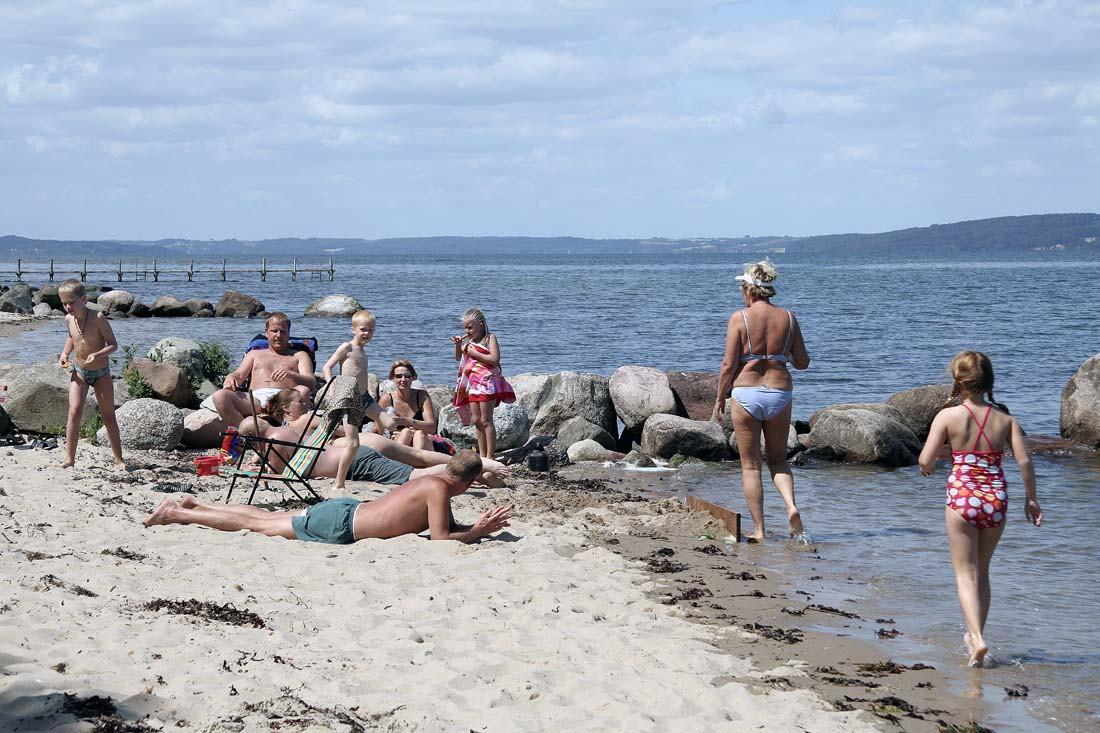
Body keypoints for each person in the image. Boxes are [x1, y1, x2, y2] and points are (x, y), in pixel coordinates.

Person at [919, 350, 1041, 668]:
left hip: (962, 498)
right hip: (996, 498)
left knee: (964, 573)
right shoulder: (1006, 419)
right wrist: (1032, 500)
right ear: (989, 381)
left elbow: (925, 459)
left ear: (957, 381)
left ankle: (976, 637)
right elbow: (1025, 461)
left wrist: (928, 467)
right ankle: (976, 636)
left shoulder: (947, 416)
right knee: (982, 572)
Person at [143, 450, 512, 545]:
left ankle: (194, 504)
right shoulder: (438, 490)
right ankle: (179, 514)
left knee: (259, 514)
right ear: (469, 481)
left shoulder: (435, 483)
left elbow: (443, 527)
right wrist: (476, 534)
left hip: (347, 509)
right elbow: (440, 539)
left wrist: (477, 527)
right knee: (255, 524)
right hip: (341, 525)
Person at [712, 261, 809, 541]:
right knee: (778, 460)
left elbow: (729, 364)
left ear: (748, 290)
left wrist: (720, 397)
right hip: (779, 393)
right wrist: (783, 353)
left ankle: (759, 530)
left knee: (750, 465)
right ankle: (791, 507)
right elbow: (803, 362)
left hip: (746, 392)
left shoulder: (738, 318)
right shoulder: (789, 318)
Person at [244, 388, 508, 487]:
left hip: (354, 450)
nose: (308, 402)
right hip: (360, 445)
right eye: (303, 401)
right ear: (287, 409)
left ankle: (477, 467)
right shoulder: (303, 423)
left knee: (415, 467)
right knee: (419, 457)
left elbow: (281, 465)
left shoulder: (293, 428)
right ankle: (480, 468)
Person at [57, 280, 125, 469]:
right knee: (74, 411)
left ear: (84, 299)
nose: (68, 307)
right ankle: (70, 459)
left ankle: (118, 459)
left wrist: (97, 354)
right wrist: (64, 354)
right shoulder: (69, 319)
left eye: (71, 302)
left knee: (108, 415)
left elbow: (113, 344)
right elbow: (71, 337)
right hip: (80, 372)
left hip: (101, 373)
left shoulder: (98, 318)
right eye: (64, 303)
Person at [210, 312, 316, 425]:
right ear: (266, 333)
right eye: (274, 331)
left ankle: (291, 430)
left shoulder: (299, 355)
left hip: (284, 400)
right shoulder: (254, 354)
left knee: (303, 390)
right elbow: (239, 375)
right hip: (255, 400)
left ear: (289, 334)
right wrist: (231, 377)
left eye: (283, 331)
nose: (279, 335)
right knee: (220, 396)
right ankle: (244, 432)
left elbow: (311, 383)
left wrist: (291, 374)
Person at [451, 308, 515, 459]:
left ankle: (490, 456)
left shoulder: (489, 338)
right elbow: (458, 357)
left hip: (487, 384)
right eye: (465, 327)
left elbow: (494, 359)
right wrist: (458, 345)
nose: (468, 330)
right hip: (472, 385)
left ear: (481, 324)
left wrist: (476, 354)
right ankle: (482, 454)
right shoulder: (469, 342)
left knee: (486, 420)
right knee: (477, 420)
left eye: (470, 327)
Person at [376, 359, 451, 454]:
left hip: (421, 440)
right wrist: (389, 430)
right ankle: (411, 463)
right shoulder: (386, 399)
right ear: (392, 378)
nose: (403, 380)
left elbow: (431, 427)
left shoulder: (421, 396)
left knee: (418, 434)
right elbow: (376, 428)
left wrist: (407, 421)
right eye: (399, 376)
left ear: (413, 378)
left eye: (407, 376)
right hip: (398, 441)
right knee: (405, 433)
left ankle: (414, 462)